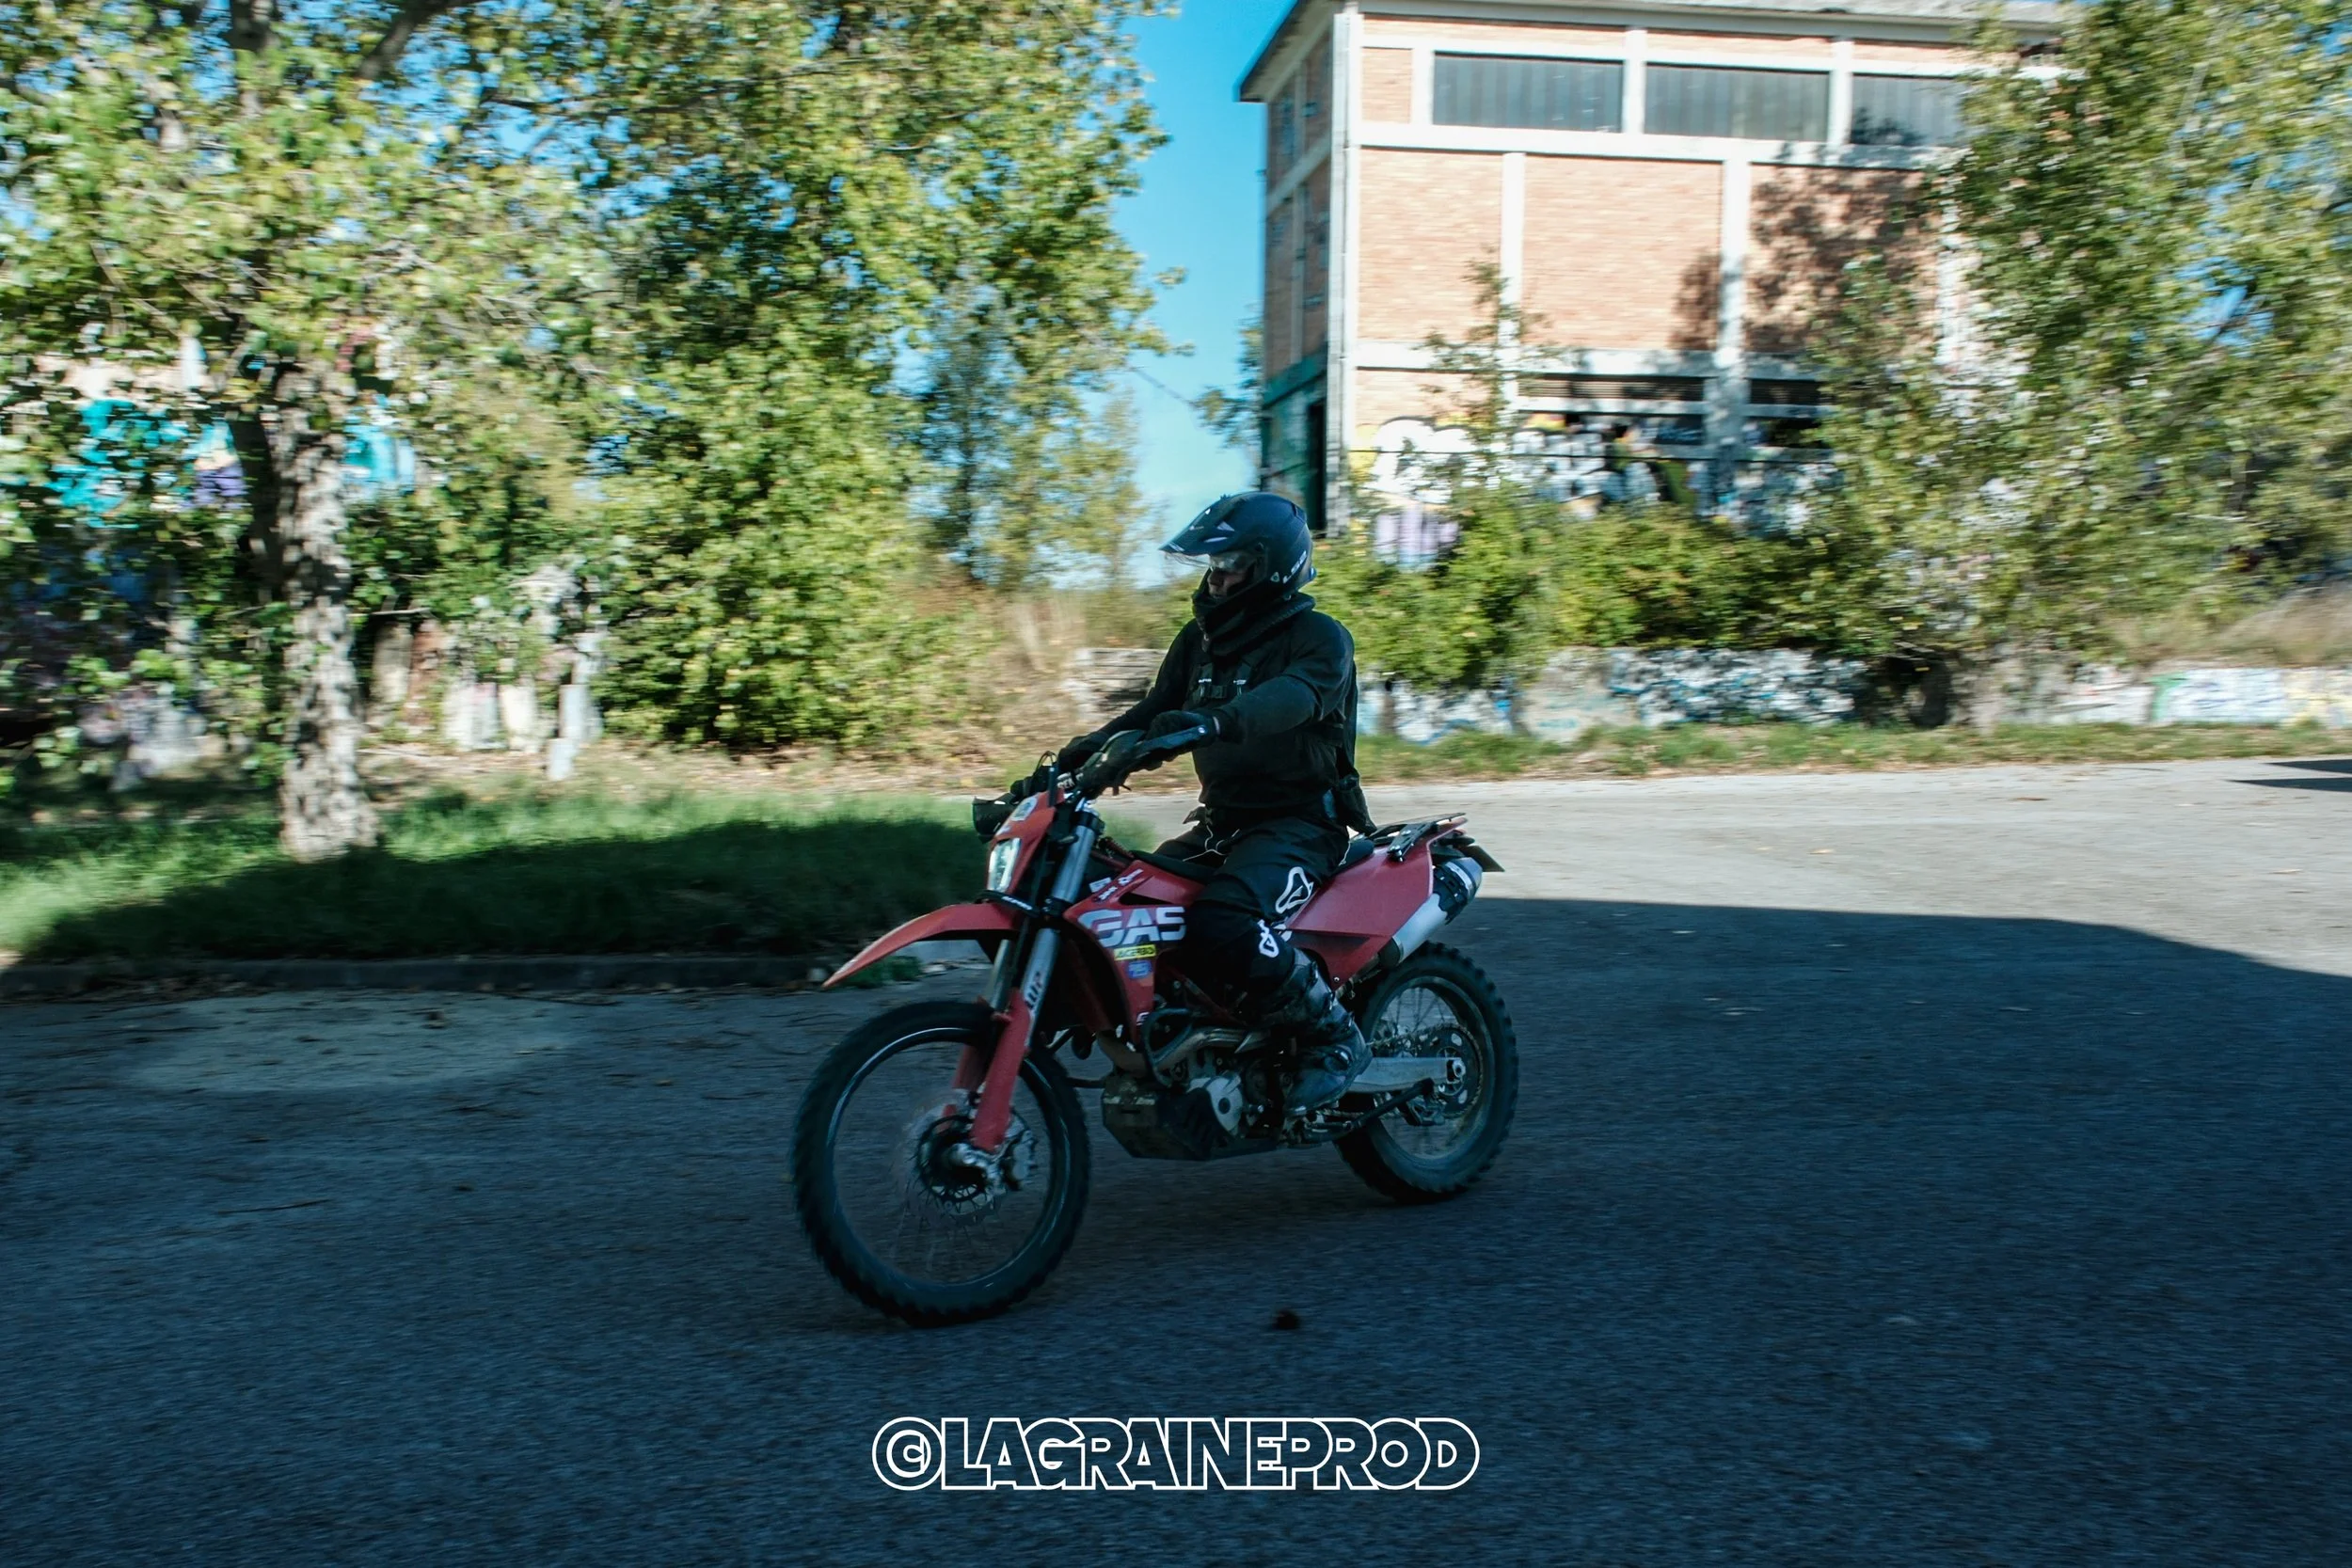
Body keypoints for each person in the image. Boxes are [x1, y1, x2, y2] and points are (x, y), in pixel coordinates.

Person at [1056, 491, 1375, 1112]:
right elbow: (1150, 716)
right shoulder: (1198, 641)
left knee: (1223, 920)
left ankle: (1332, 1035)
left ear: (1272, 566)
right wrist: (1074, 760)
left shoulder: (1319, 638)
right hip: (1222, 824)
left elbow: (1295, 697)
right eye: (1213, 565)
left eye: (1232, 564)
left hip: (1300, 824)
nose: (1218, 578)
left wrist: (1216, 722)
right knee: (1123, 899)